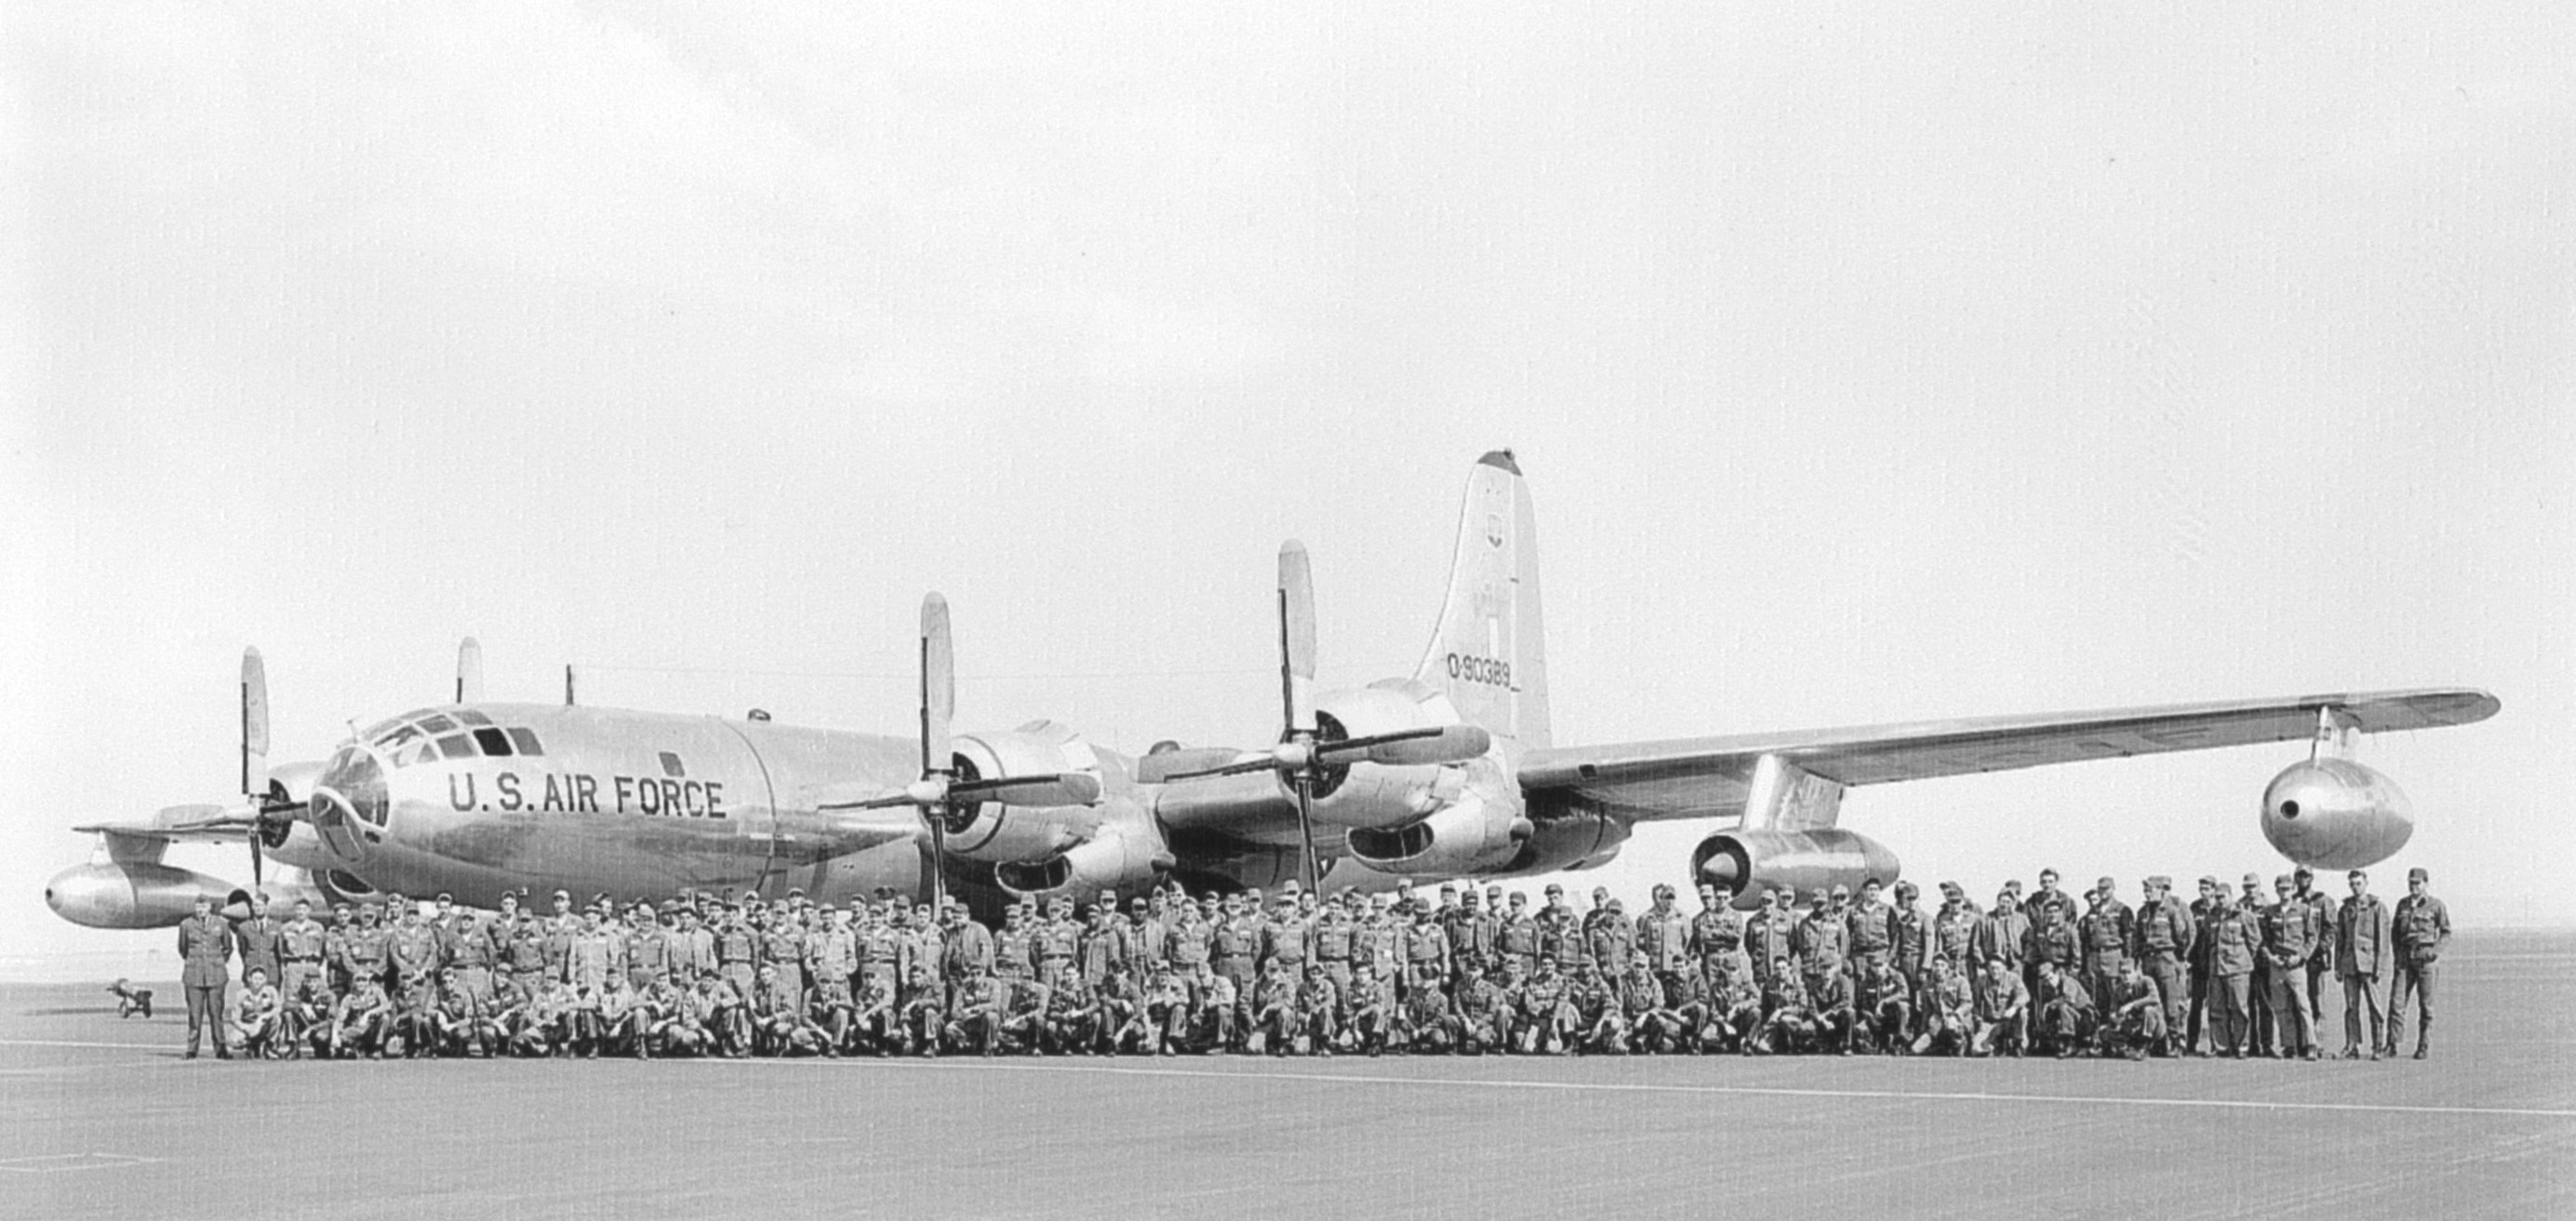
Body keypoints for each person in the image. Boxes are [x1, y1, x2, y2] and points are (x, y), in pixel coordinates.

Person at [2389, 867, 2449, 1059]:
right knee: (2397, 1003)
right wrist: (2398, 954)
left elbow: (2446, 931)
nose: (2413, 886)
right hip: (2405, 958)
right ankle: (2392, 1044)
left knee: (2426, 1006)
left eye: (2417, 883)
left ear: (2426, 884)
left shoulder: (2435, 905)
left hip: (2425, 958)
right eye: (2411, 882)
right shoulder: (2402, 905)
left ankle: (2423, 1045)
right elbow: (2395, 933)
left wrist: (2434, 952)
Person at [2335, 869, 2395, 1060]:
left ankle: (2378, 1046)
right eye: (2352, 884)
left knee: (2375, 1007)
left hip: (2369, 965)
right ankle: (2352, 1045)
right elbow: (2340, 939)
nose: (2355, 888)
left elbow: (2383, 940)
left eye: (2358, 883)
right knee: (2351, 1007)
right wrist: (2338, 966)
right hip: (2349, 964)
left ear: (2366, 883)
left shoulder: (2377, 907)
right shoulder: (2345, 909)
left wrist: (2380, 967)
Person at [2261, 874, 2320, 1060]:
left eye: (2287, 888)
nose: (2284, 892)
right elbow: (2264, 940)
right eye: (2281, 889)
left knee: (2303, 1006)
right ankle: (2289, 1045)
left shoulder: (2303, 910)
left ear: (2293, 889)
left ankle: (2311, 1044)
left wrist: (2301, 956)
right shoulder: (2270, 912)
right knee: (2281, 1007)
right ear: (2276, 890)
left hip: (2296, 965)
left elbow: (2312, 937)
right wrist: (2271, 958)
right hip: (2277, 965)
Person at [177, 894, 234, 1059]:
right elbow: (183, 948)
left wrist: (218, 961)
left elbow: (228, 947)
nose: (201, 910)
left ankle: (221, 1048)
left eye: (204, 906)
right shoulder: (186, 925)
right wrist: (195, 962)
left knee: (216, 1013)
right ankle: (192, 1049)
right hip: (194, 974)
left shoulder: (221, 924)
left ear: (210, 907)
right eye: (198, 906)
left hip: (216, 974)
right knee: (195, 1014)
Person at [2099, 959, 2167, 1060]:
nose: (2125, 976)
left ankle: (2144, 1047)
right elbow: (2112, 1011)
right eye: (2122, 972)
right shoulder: (2119, 990)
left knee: (2149, 1010)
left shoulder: (2146, 981)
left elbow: (2154, 998)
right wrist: (2115, 1018)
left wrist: (2131, 1005)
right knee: (2103, 1031)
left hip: (2153, 1027)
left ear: (2136, 972)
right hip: (2132, 1027)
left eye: (2129, 972)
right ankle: (2124, 1048)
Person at [228, 965, 283, 1059]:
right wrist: (247, 1028)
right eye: (255, 978)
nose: (258, 981)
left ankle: (269, 1047)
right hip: (248, 1026)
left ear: (265, 980)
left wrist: (263, 1018)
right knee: (233, 1040)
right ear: (249, 979)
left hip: (263, 1025)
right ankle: (250, 1047)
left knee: (277, 1019)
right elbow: (235, 1019)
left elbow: (278, 1008)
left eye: (261, 979)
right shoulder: (242, 994)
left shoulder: (271, 991)